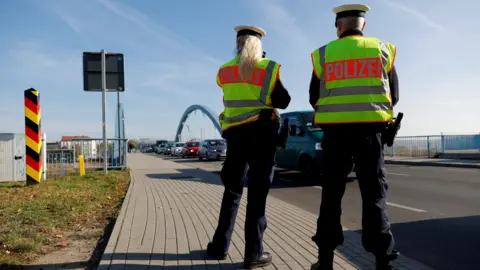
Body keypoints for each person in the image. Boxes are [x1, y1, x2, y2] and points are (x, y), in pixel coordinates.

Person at [308, 4, 400, 270]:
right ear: (363, 26)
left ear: (339, 27)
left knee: (331, 197)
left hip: (335, 136)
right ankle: (383, 262)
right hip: (371, 134)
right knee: (374, 197)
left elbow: (314, 97)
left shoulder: (323, 54)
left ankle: (325, 261)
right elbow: (394, 95)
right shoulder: (382, 49)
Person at [207, 25, 291, 269]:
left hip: (235, 136)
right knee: (257, 195)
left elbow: (228, 96)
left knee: (231, 192)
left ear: (238, 44)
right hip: (262, 136)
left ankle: (219, 247)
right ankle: (253, 254)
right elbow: (283, 101)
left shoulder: (224, 70)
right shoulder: (267, 68)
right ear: (259, 46)